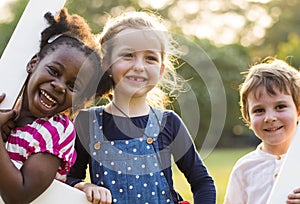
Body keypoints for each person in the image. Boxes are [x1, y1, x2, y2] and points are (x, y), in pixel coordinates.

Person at [66, 11, 216, 204]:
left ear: (161, 69)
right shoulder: (87, 122)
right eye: (128, 55)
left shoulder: (168, 123)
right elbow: (68, 179)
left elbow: (202, 182)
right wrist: (84, 186)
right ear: (106, 63)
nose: (139, 66)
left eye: (150, 58)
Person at [0, 8, 110, 204]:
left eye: (72, 86)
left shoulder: (56, 131)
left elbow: (18, 195)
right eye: (54, 71)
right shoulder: (7, 108)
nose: (59, 86)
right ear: (34, 63)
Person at [224, 58, 300, 204]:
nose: (270, 118)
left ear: (298, 109)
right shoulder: (244, 169)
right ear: (248, 118)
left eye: (280, 106)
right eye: (259, 110)